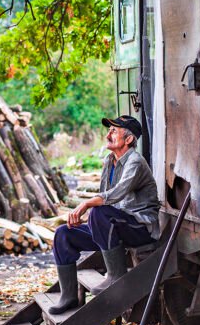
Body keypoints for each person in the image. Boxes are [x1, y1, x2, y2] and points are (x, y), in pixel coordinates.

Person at [49, 115, 160, 314]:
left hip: (140, 228)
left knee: (100, 212)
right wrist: (85, 218)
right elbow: (106, 197)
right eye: (109, 130)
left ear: (128, 140)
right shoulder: (110, 161)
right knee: (63, 234)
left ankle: (115, 275)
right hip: (116, 227)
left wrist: (86, 205)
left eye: (114, 131)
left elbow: (114, 195)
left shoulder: (135, 162)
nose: (108, 134)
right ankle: (68, 296)